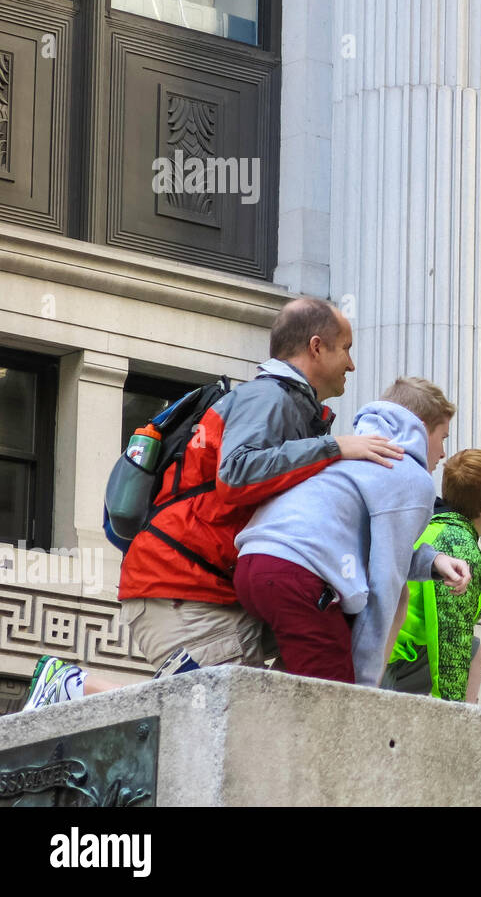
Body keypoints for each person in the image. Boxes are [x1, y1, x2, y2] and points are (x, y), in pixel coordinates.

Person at [21, 297, 401, 711]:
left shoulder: (285, 405)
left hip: (204, 588)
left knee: (238, 718)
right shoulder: (268, 398)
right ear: (316, 347)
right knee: (218, 714)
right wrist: (334, 448)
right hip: (182, 587)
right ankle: (74, 688)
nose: (352, 364)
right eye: (346, 348)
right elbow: (236, 474)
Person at [233, 378, 472, 686]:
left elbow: (358, 541)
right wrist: (363, 687)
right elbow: (385, 582)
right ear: (421, 428)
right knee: (333, 698)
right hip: (298, 575)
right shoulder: (408, 475)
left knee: (295, 687)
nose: (442, 454)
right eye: (443, 437)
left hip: (253, 562)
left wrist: (431, 561)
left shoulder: (352, 453)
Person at [384, 449, 481, 703]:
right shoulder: (458, 545)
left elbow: (469, 609)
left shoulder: (437, 525)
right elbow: (452, 636)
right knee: (470, 651)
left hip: (384, 652)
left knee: (473, 648)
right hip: (388, 666)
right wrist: (452, 716)